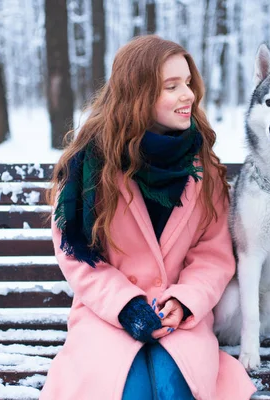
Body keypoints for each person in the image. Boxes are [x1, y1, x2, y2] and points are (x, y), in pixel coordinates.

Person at [39, 35, 257, 400]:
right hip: (107, 315)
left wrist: (185, 300)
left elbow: (214, 253)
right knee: (126, 390)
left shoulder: (203, 166)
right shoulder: (90, 166)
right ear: (137, 94)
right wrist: (126, 306)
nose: (187, 95)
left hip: (180, 317)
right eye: (171, 86)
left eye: (187, 83)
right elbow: (76, 255)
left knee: (178, 388)